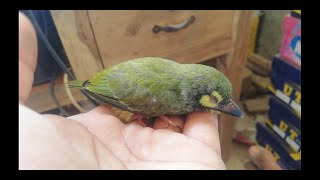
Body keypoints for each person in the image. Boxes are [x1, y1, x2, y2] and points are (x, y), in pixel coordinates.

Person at [19, 11, 282, 170]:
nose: (224, 106)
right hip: (113, 89)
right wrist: (136, 113)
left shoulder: (180, 85)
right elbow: (123, 97)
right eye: (216, 100)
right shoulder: (168, 96)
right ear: (197, 90)